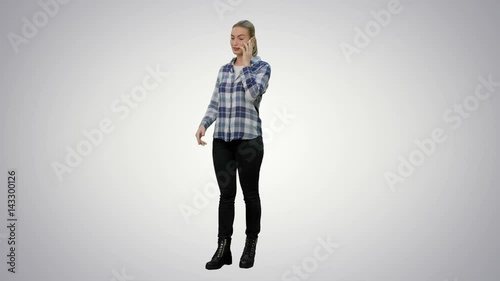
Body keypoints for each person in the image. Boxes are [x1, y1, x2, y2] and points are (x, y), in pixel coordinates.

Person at [195, 19, 271, 270]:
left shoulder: (262, 67)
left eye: (241, 38)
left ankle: (250, 246)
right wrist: (205, 123)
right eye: (232, 37)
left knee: (250, 195)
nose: (235, 43)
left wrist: (247, 64)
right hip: (222, 141)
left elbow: (253, 94)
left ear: (252, 41)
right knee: (226, 196)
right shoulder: (223, 70)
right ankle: (223, 248)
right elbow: (215, 102)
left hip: (249, 140)